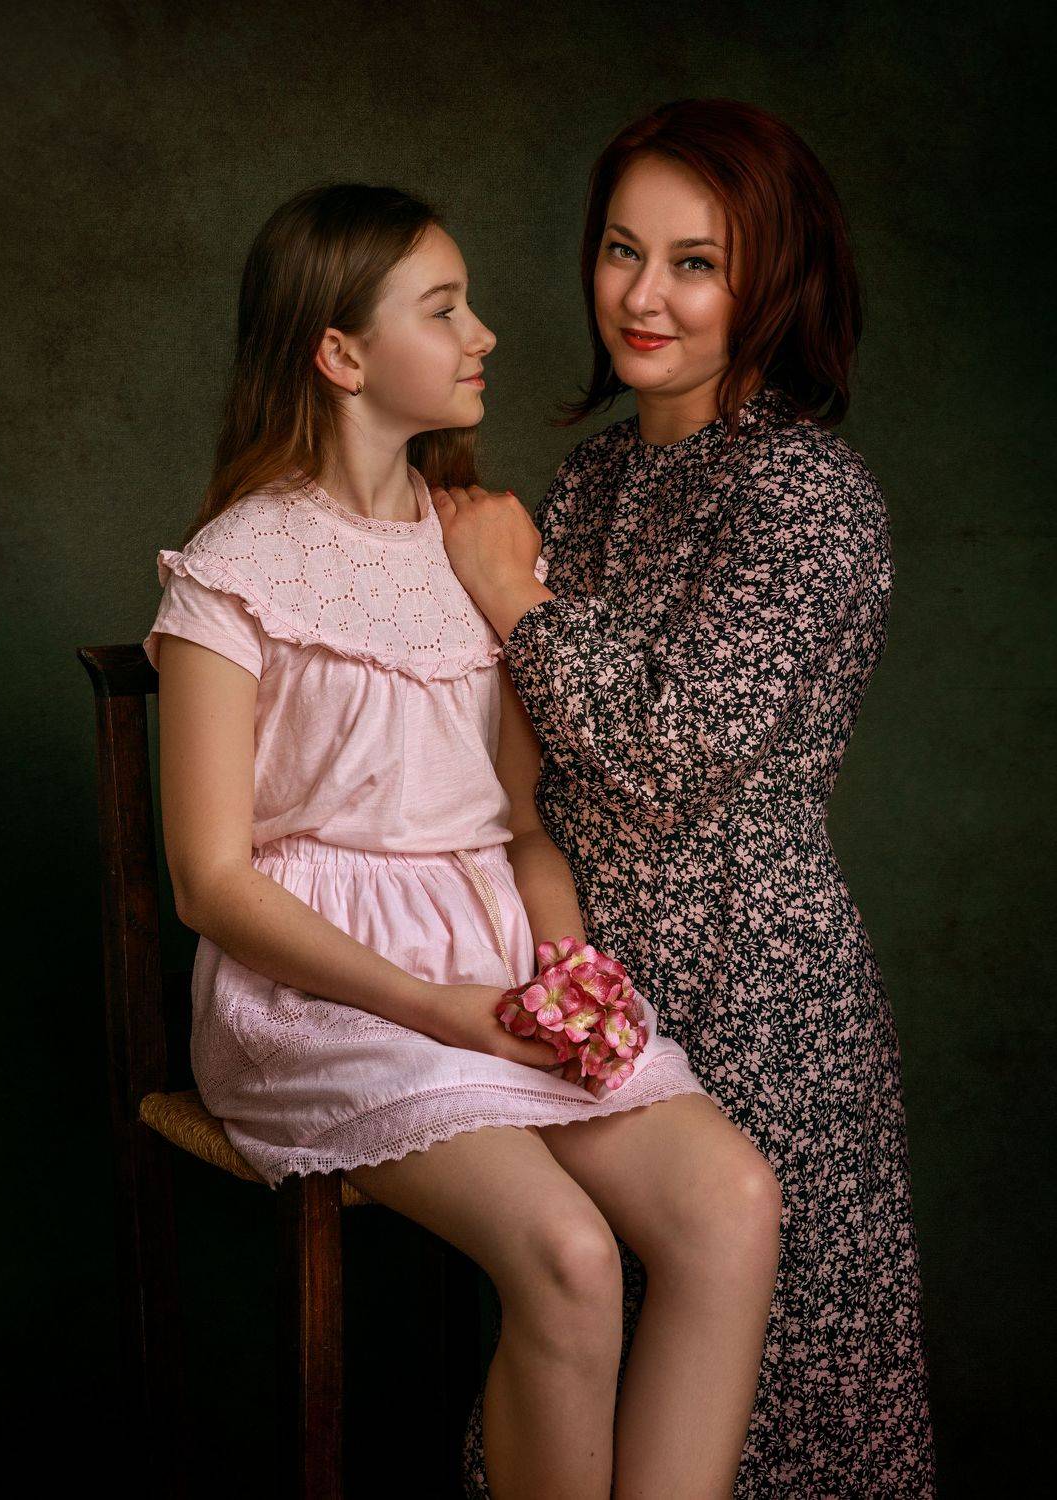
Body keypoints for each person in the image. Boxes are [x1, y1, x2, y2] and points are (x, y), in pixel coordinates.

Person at [143, 182, 783, 1500]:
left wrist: (567, 967)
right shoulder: (230, 570)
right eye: (443, 309)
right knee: (570, 1254)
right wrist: (436, 1007)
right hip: (324, 993)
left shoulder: (480, 542)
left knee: (730, 1202)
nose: (483, 332)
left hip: (488, 957)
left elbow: (523, 822)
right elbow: (208, 882)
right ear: (341, 355)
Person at [434, 101, 937, 1497]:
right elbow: (521, 752)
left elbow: (668, 748)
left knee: (767, 1426)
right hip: (586, 980)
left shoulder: (810, 496)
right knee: (572, 1373)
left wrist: (515, 596)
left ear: (775, 281)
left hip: (755, 993)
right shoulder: (596, 474)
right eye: (621, 250)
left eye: (695, 263)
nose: (643, 297)